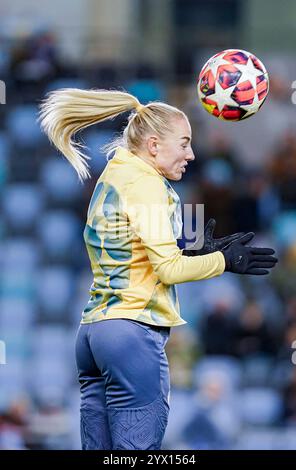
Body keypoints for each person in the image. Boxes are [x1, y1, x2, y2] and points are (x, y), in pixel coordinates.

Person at [38, 89, 278, 450]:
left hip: (93, 334)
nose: (191, 154)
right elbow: (167, 269)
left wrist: (195, 248)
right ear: (153, 145)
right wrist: (224, 262)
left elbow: (134, 246)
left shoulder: (116, 174)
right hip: (131, 335)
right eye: (183, 144)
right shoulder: (148, 184)